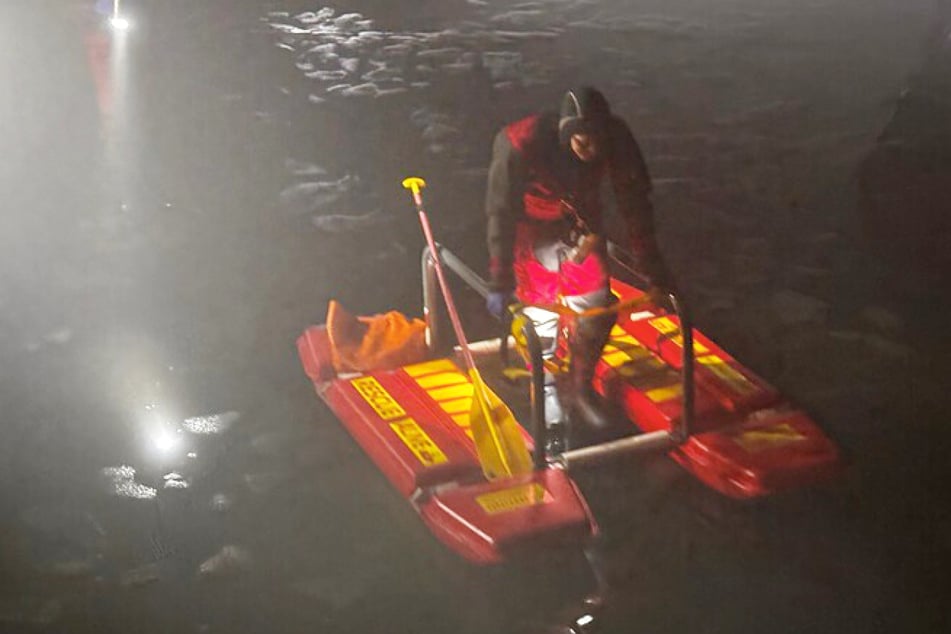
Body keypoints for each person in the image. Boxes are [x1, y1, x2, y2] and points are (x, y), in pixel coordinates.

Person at [484, 86, 674, 444]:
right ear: (567, 136)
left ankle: (579, 386)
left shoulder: (616, 140)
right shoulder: (520, 144)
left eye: (598, 143)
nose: (593, 152)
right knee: (541, 314)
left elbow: (635, 204)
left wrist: (654, 270)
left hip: (580, 222)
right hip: (531, 225)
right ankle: (546, 393)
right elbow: (500, 212)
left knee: (597, 306)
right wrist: (500, 280)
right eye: (584, 144)